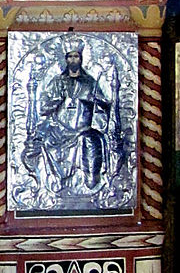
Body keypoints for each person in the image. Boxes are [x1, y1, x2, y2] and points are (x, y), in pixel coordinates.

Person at [22, 41, 121, 195]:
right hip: (59, 130)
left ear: (81, 59)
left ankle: (90, 181)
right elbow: (44, 107)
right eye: (70, 57)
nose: (73, 60)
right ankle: (58, 182)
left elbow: (104, 106)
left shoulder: (90, 83)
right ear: (66, 59)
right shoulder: (57, 82)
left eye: (76, 56)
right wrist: (59, 101)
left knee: (89, 141)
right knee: (46, 142)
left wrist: (96, 101)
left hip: (83, 129)